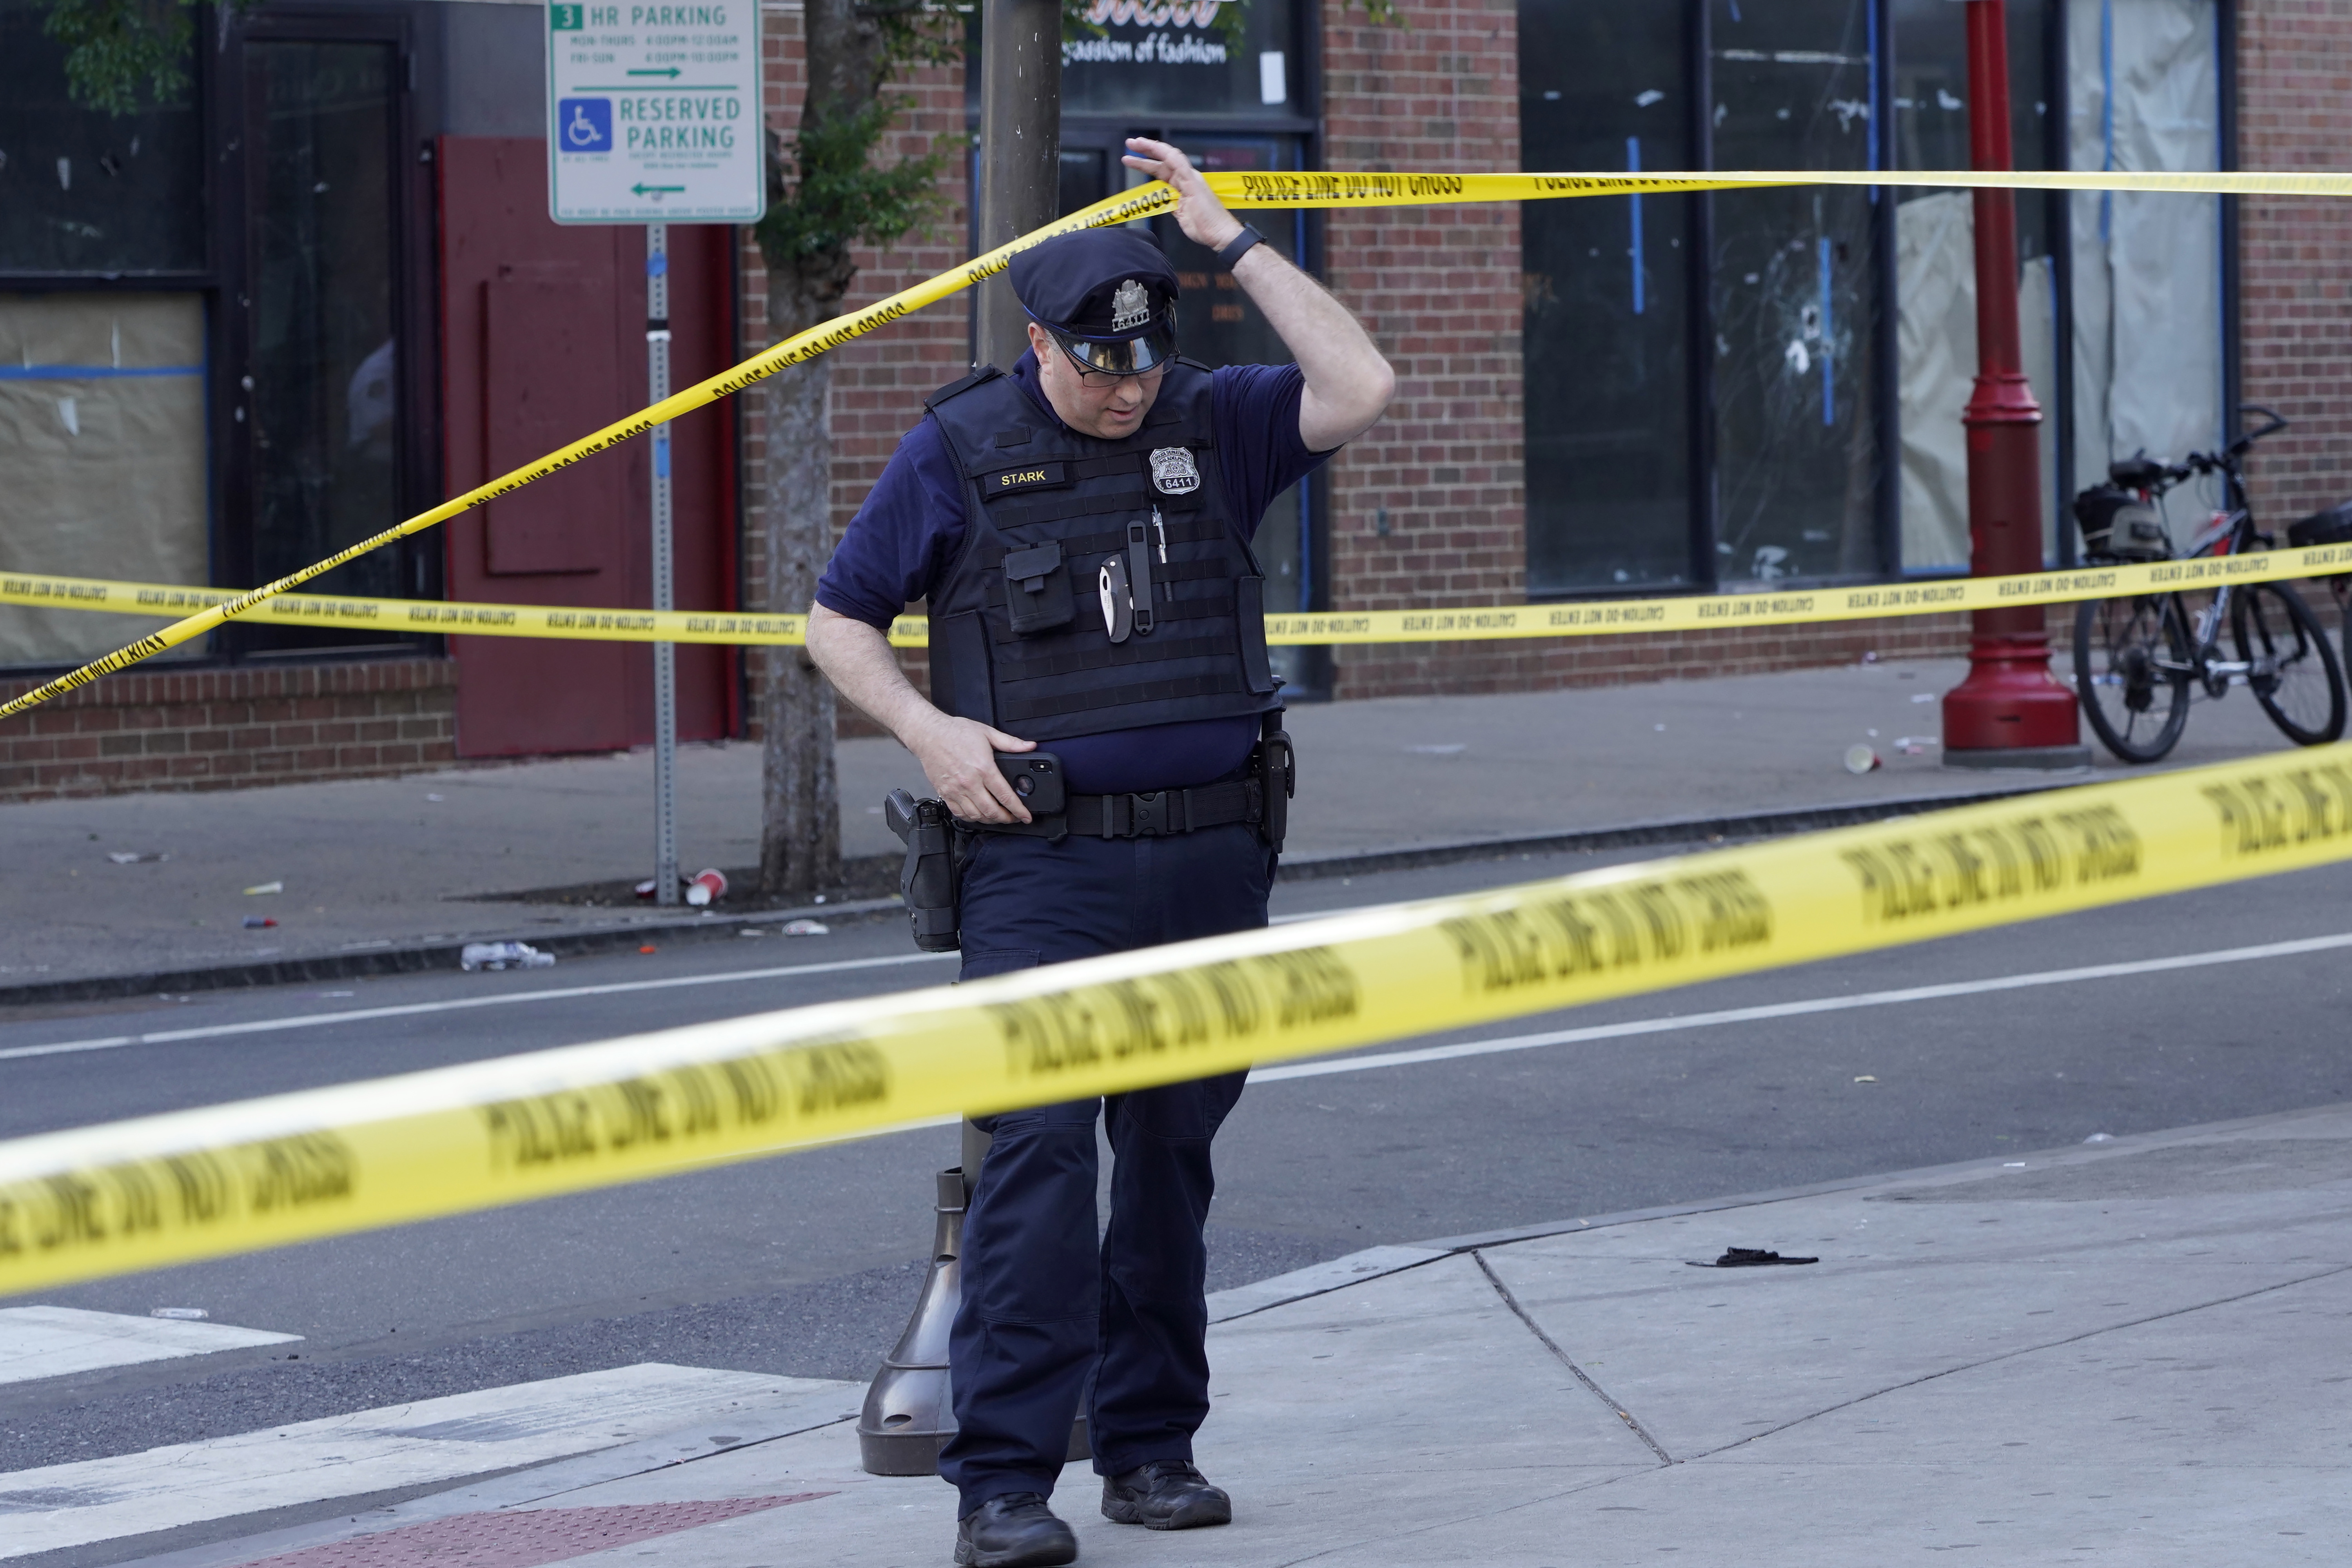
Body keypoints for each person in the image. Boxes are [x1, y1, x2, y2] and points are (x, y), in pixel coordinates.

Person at [807, 137, 1394, 1568]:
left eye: (1141, 368)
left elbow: (1363, 385)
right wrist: (930, 734)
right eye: (1097, 368)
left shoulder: (1221, 417)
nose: (1125, 392)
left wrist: (1232, 239)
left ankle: (1151, 1451)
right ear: (1039, 345)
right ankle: (1003, 1486)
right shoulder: (958, 448)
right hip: (1040, 871)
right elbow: (837, 621)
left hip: (1209, 862)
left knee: (1172, 1165)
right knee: (1038, 1169)